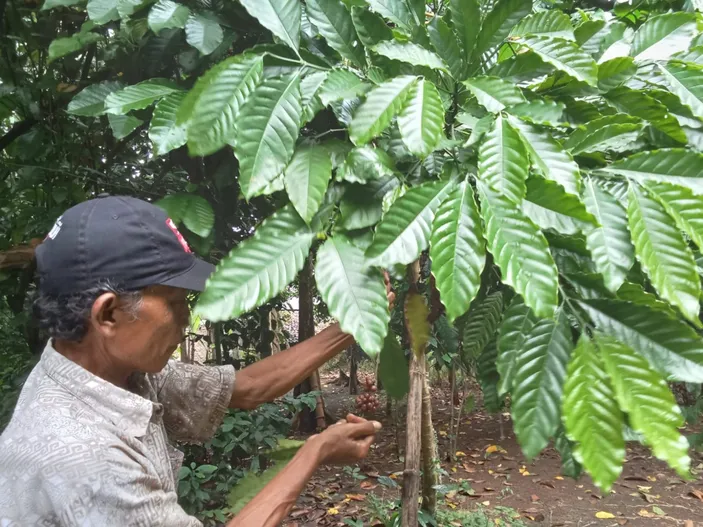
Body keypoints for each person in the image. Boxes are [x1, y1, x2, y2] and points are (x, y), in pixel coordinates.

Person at [0, 195, 387, 527]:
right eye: (173, 302)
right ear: (108, 315)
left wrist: (352, 324)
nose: (187, 318)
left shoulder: (111, 370)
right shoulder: (85, 457)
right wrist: (313, 452)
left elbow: (247, 389)